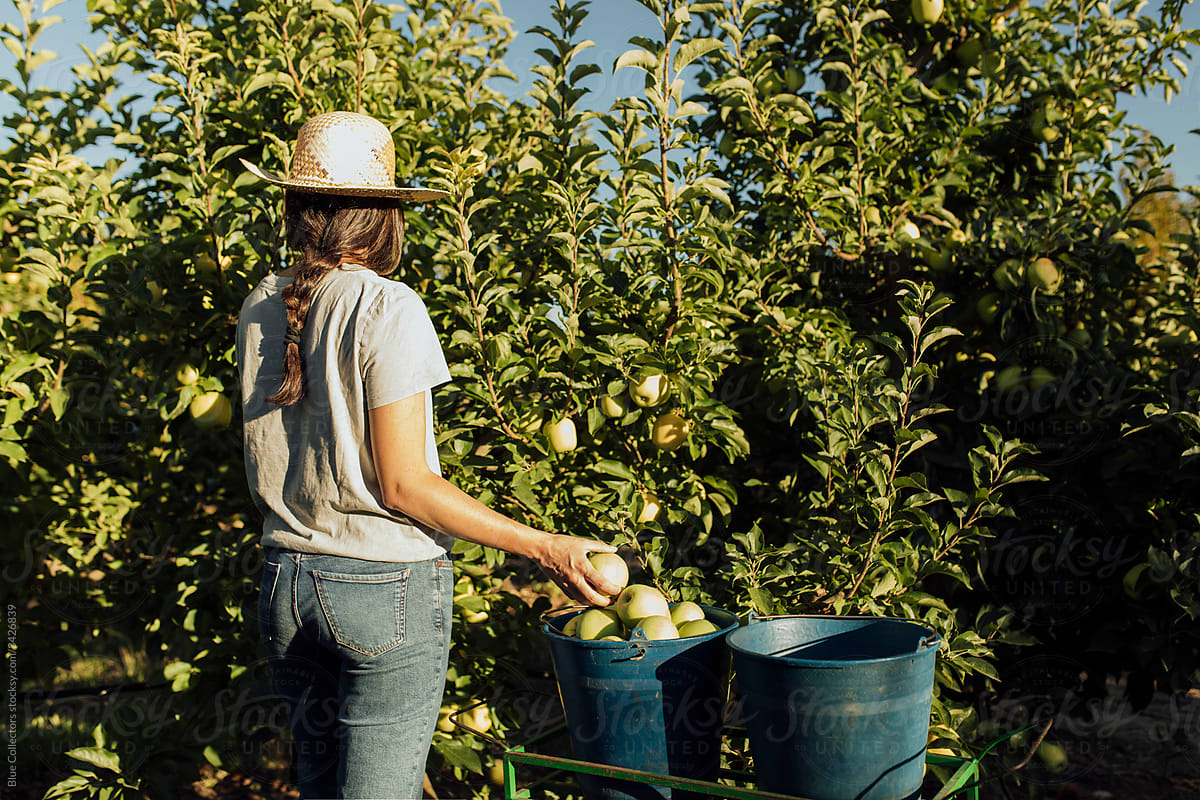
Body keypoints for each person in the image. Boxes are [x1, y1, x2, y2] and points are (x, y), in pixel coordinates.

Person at [235, 111, 622, 800]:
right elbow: (405, 485)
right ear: (385, 219)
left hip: (285, 582)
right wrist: (545, 545)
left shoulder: (261, 302)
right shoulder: (389, 306)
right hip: (381, 590)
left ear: (297, 207)